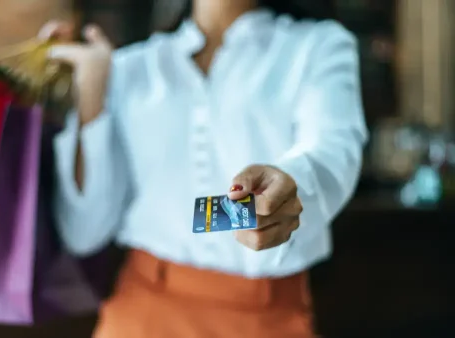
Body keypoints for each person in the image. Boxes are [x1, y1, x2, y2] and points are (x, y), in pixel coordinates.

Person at [43, 0, 367, 336]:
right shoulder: (130, 67)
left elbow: (333, 151)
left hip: (263, 318)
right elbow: (84, 233)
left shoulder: (317, 46)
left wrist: (290, 186)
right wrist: (91, 96)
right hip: (141, 313)